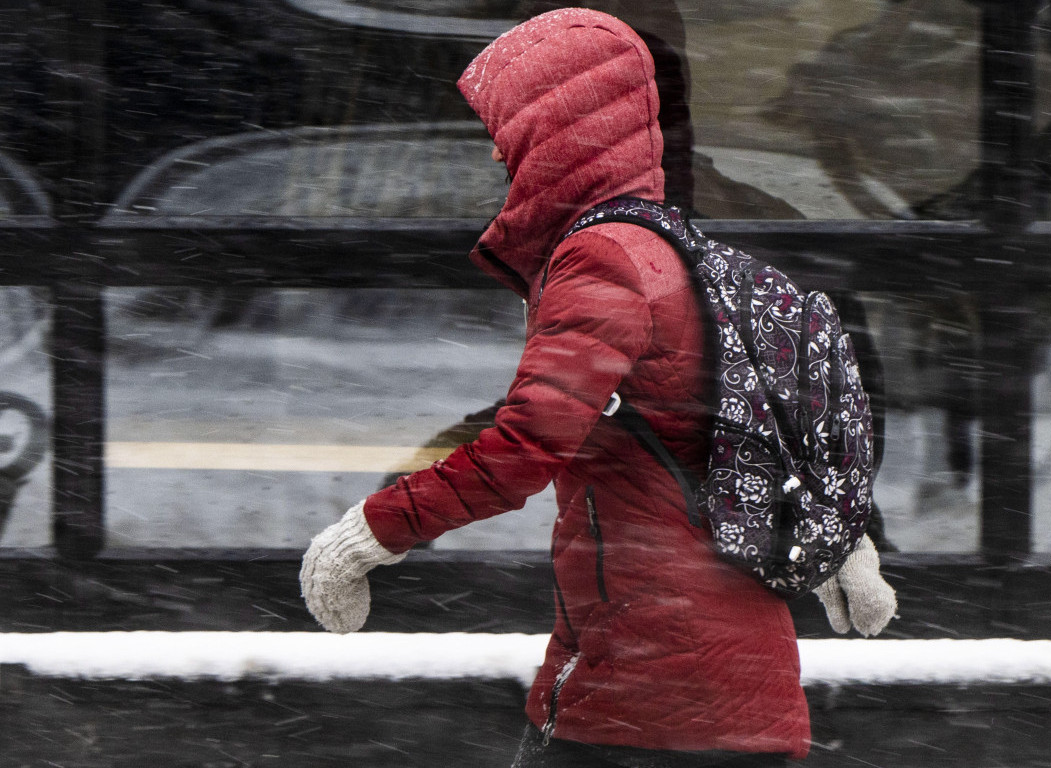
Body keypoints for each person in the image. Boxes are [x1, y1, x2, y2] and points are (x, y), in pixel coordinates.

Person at [300, 9, 895, 766]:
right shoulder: (670, 251)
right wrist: (840, 540)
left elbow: (527, 444)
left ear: (557, 133)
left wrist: (372, 534)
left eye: (507, 129)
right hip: (714, 683)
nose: (493, 150)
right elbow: (733, 426)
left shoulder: (603, 261)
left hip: (653, 690)